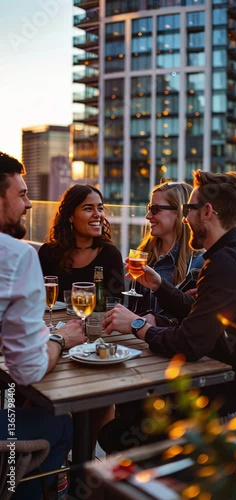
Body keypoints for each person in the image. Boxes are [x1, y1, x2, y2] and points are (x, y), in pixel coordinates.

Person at [103, 170, 236, 421]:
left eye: (188, 209)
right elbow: (204, 316)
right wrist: (160, 287)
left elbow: (191, 343)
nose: (185, 218)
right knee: (131, 412)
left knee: (128, 423)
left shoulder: (225, 263)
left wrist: (136, 324)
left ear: (207, 212)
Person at [0, 152, 84, 499]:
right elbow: (27, 370)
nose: (30, 204)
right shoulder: (17, 256)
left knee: (14, 401)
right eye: (21, 194)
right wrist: (60, 339)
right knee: (61, 422)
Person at [129, 181, 204, 326]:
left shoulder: (200, 263)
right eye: (149, 208)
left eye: (155, 209)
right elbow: (135, 310)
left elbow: (196, 322)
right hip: (137, 342)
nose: (148, 216)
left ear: (179, 212)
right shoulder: (145, 254)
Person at [38, 184, 125, 301]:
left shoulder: (111, 254)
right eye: (88, 209)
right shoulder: (48, 253)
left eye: (100, 208)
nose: (97, 215)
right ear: (70, 216)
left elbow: (115, 304)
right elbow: (36, 299)